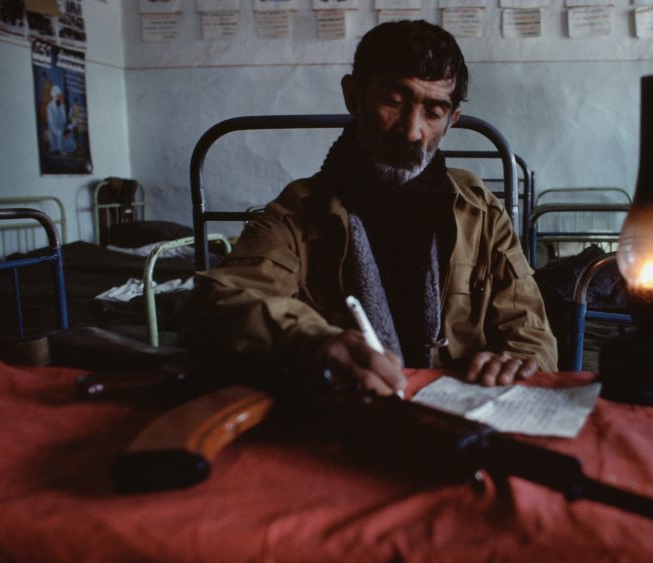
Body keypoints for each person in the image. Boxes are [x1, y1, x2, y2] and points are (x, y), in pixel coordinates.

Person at [178, 20, 557, 398]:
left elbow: (531, 334)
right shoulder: (301, 213)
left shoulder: (481, 212)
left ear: (452, 120)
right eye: (393, 102)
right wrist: (312, 342)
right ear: (353, 96)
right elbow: (213, 306)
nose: (411, 131)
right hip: (349, 418)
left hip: (463, 420)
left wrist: (517, 361)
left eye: (434, 112)